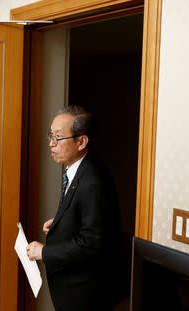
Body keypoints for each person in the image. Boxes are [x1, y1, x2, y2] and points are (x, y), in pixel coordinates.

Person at [26, 106, 124, 310]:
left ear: (81, 142)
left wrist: (45, 253)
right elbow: (88, 217)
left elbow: (92, 242)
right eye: (50, 135)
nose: (51, 144)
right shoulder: (78, 169)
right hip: (72, 289)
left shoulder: (94, 180)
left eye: (58, 138)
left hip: (86, 294)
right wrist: (62, 222)